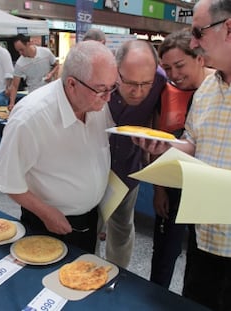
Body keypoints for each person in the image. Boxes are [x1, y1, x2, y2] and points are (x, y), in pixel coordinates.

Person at [134, 1, 231, 309]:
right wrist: (166, 147)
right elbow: (193, 142)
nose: (193, 43)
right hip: (204, 234)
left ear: (228, 28)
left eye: (199, 33)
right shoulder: (206, 91)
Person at [0, 41, 118, 253]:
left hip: (91, 216)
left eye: (112, 87)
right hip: (48, 221)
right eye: (101, 89)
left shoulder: (97, 104)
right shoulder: (30, 118)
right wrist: (46, 213)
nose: (108, 97)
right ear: (71, 84)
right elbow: (7, 180)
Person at [150, 29, 215, 289]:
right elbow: (156, 143)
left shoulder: (218, 91)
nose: (174, 75)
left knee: (203, 260)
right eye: (167, 68)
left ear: (199, 58)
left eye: (179, 65)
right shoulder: (165, 93)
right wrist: (159, 190)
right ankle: (153, 300)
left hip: (209, 191)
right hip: (173, 188)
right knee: (165, 253)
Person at [106, 40, 166, 268]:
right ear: (116, 69)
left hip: (127, 167)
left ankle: (115, 276)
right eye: (130, 83)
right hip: (92, 164)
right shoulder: (100, 75)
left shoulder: (161, 80)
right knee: (87, 226)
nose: (138, 92)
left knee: (121, 227)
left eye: (145, 84)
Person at [8, 34, 59, 110]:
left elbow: (57, 65)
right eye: (18, 51)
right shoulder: (20, 63)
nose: (20, 53)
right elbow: (15, 85)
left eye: (22, 49)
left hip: (49, 93)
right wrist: (12, 103)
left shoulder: (45, 52)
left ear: (28, 44)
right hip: (33, 95)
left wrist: (51, 74)